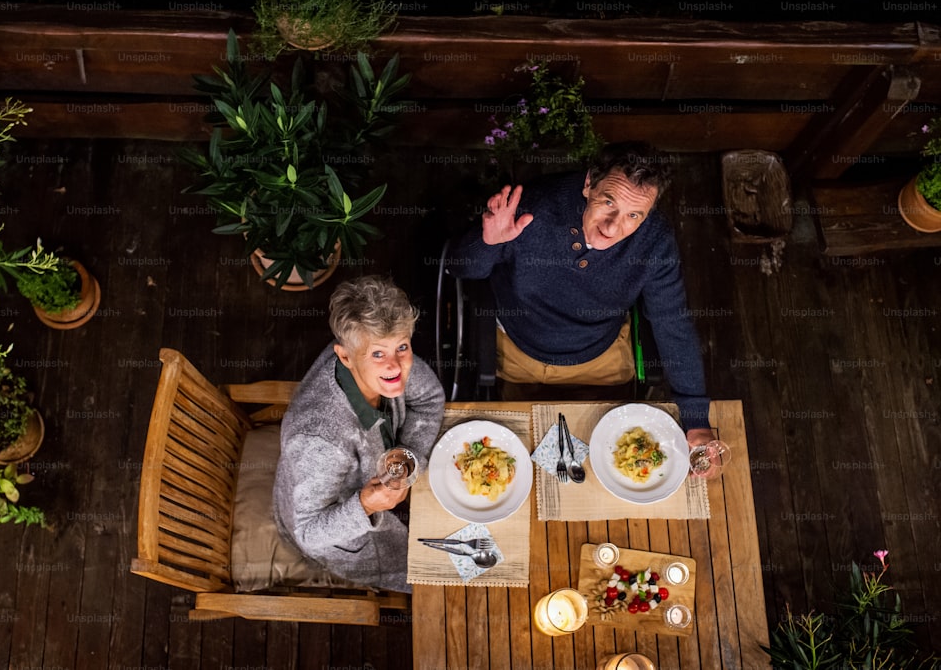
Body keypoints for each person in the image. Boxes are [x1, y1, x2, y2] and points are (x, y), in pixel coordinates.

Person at [446, 141, 712, 448]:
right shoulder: (531, 206)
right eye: (609, 203)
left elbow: (672, 323)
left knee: (616, 449)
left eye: (634, 216)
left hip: (603, 358)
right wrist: (487, 243)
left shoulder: (655, 242)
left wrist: (696, 419)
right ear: (589, 184)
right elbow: (458, 268)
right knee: (520, 446)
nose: (613, 228)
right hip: (520, 353)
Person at [273, 275, 445, 593]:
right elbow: (309, 532)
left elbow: (430, 398)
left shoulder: (372, 345)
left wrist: (408, 457)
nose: (395, 366)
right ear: (345, 357)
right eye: (378, 354)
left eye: (402, 347)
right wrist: (365, 504)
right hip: (340, 535)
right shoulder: (318, 441)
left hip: (387, 486)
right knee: (441, 577)